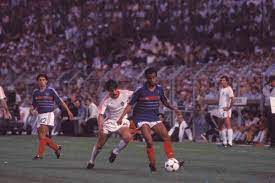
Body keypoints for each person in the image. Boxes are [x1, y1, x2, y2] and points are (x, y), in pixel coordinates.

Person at [117, 67, 184, 172]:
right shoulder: (140, 90)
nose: (152, 80)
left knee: (166, 136)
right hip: (141, 117)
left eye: (154, 77)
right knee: (149, 141)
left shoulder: (159, 89)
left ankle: (172, 159)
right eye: (150, 78)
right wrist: (121, 117)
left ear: (156, 77)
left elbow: (165, 102)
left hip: (153, 116)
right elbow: (130, 105)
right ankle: (152, 163)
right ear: (146, 78)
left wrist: (175, 109)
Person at [86, 80, 133, 169]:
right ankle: (91, 161)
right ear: (108, 90)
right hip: (110, 122)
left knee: (128, 137)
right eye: (111, 90)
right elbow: (100, 115)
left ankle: (115, 151)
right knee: (100, 145)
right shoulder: (105, 100)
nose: (114, 92)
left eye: (115, 89)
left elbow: (138, 93)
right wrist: (100, 127)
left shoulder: (125, 93)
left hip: (122, 121)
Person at [32, 74, 74, 159]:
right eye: (40, 80)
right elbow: (34, 105)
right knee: (41, 138)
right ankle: (56, 147)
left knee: (43, 135)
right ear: (37, 81)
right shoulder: (35, 92)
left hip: (48, 114)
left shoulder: (51, 90)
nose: (41, 81)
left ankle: (40, 155)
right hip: (40, 115)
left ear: (46, 81)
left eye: (43, 79)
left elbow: (61, 102)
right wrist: (32, 110)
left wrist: (69, 111)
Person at [213, 75, 235, 147]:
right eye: (221, 80)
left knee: (228, 124)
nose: (222, 82)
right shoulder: (221, 89)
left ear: (227, 81)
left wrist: (228, 108)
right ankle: (224, 142)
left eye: (223, 80)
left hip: (225, 109)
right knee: (220, 126)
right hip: (220, 109)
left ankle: (230, 142)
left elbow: (233, 99)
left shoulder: (229, 89)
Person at [262, 75, 275, 148]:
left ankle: (273, 142)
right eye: (272, 82)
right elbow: (266, 97)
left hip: (274, 104)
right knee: (270, 125)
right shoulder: (266, 88)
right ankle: (272, 142)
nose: (273, 83)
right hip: (268, 106)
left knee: (273, 124)